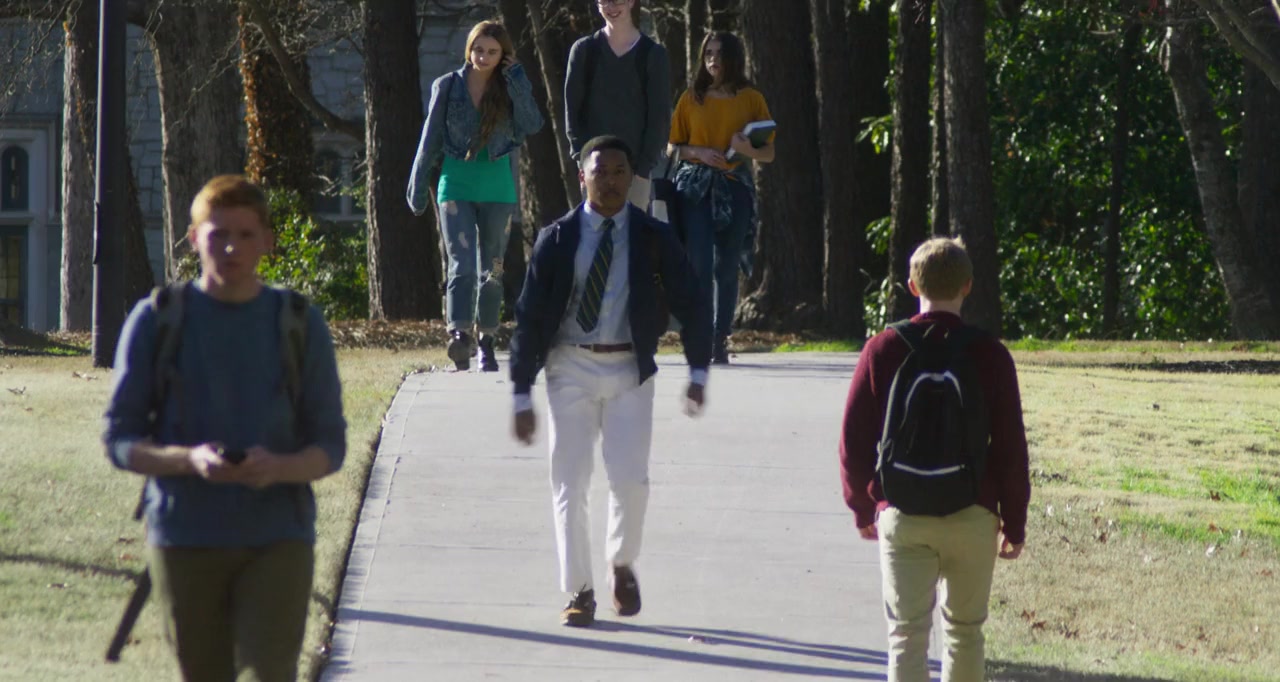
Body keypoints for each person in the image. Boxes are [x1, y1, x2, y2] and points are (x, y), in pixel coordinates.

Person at [103, 175, 347, 682]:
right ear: (194, 239)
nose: (231, 248)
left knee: (270, 673)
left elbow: (330, 446)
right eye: (218, 235)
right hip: (185, 535)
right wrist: (189, 460)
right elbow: (120, 440)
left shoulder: (299, 323)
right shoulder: (157, 319)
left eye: (245, 234)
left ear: (267, 241)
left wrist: (277, 467)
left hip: (278, 538)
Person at [509, 136, 710, 627]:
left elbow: (692, 301)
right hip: (569, 367)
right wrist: (520, 392)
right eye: (601, 172)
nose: (611, 181)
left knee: (630, 480)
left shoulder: (652, 236)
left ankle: (621, 562)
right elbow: (529, 317)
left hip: (629, 370)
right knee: (569, 482)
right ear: (583, 177)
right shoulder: (557, 239)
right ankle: (579, 590)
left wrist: (698, 371)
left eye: (621, 172)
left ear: (632, 178)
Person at [838, 237, 1031, 682]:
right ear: (968, 286)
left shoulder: (882, 349)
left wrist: (863, 507)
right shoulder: (991, 354)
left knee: (906, 634)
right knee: (965, 633)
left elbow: (853, 440)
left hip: (903, 512)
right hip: (974, 514)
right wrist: (1015, 521)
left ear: (912, 285)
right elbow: (1010, 448)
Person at [408, 20, 544, 372]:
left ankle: (487, 339)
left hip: (498, 190)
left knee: (492, 270)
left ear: (503, 56)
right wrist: (418, 185)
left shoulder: (510, 86)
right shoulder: (447, 86)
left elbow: (533, 124)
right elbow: (430, 139)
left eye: (492, 52)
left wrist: (517, 80)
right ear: (469, 49)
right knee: (462, 263)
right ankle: (459, 334)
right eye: (478, 49)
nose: (483, 57)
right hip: (456, 186)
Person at [668, 31, 774, 365]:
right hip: (695, 189)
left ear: (733, 58)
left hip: (734, 187)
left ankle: (719, 339)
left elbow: (768, 151)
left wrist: (746, 148)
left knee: (727, 267)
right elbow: (672, 147)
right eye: (708, 53)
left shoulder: (751, 98)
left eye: (719, 53)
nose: (713, 59)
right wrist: (697, 151)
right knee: (699, 263)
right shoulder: (691, 98)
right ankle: (699, 334)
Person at [564, 0, 671, 212]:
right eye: (605, 1)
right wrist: (583, 162)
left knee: (631, 232)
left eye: (617, 0)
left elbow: (659, 118)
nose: (611, 7)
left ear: (631, 2)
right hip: (593, 169)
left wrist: (642, 170)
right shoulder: (584, 51)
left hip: (635, 173)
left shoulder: (653, 54)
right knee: (593, 231)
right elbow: (572, 113)